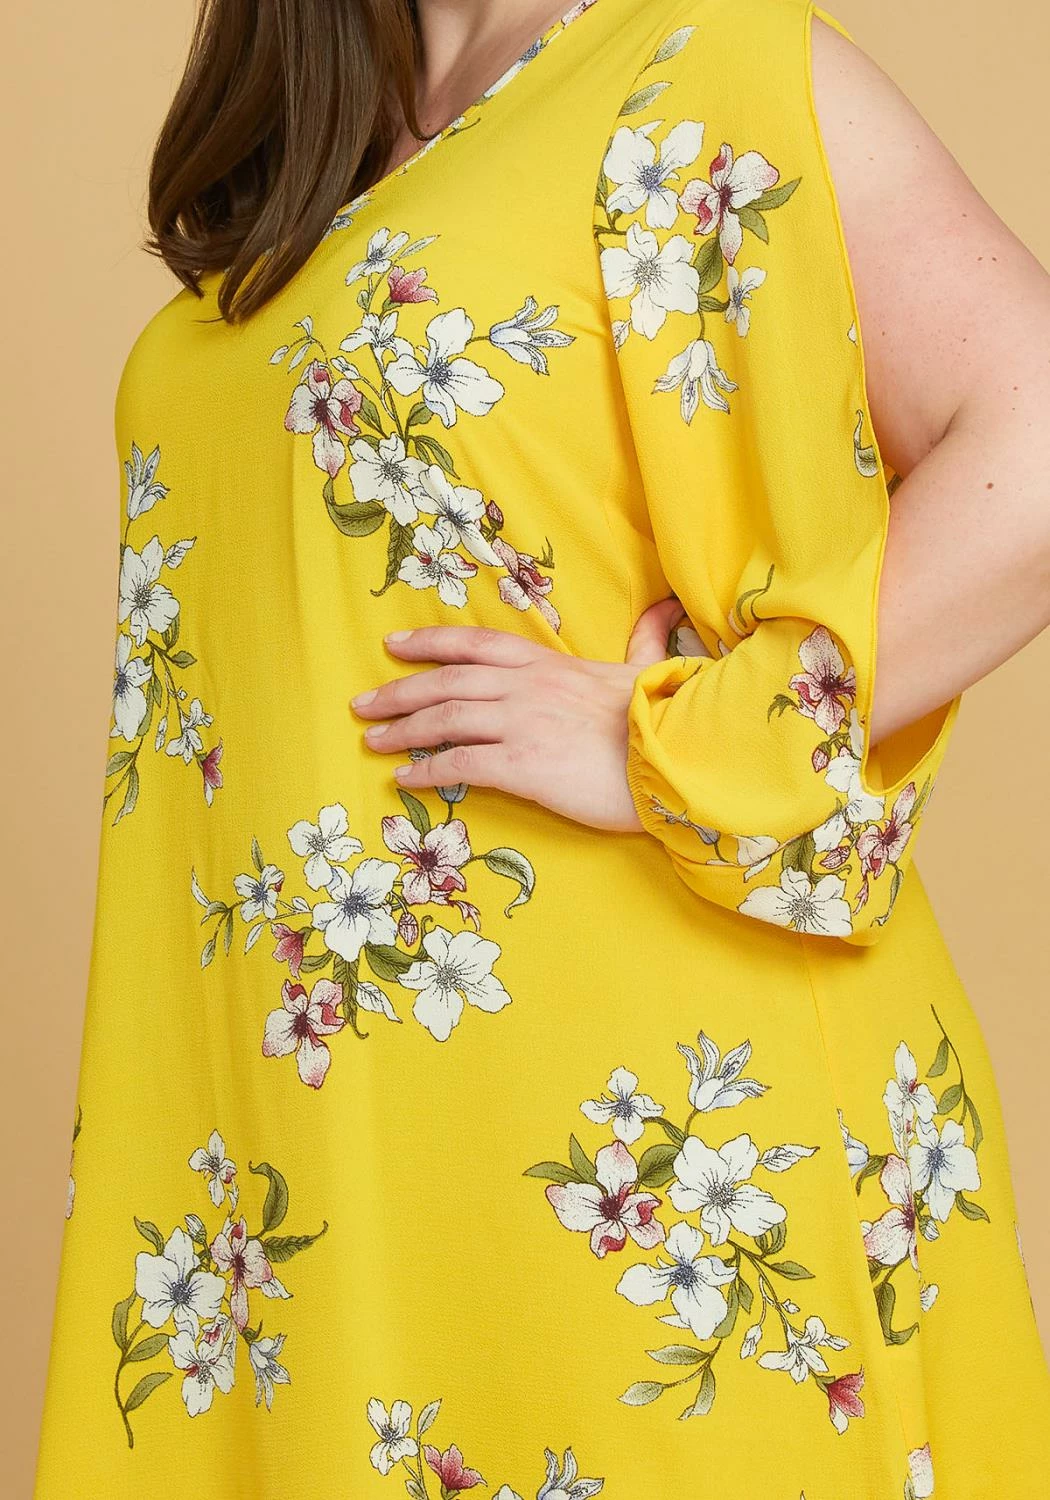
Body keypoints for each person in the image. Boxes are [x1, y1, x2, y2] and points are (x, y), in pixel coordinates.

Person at [33, 0, 1050, 1495]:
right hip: (310, 1144)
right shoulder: (325, 138)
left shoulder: (692, 63)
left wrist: (680, 740)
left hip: (635, 1153)